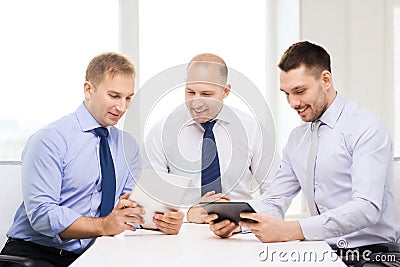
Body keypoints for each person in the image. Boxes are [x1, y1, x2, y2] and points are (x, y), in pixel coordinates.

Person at [207, 41, 400, 265]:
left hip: (373, 253)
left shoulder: (366, 128)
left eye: (299, 91)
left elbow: (367, 208)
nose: (292, 103)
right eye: (286, 94)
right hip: (321, 250)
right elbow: (275, 201)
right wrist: (236, 221)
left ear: (325, 80)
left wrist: (294, 229)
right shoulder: (298, 139)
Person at [0, 52, 184, 267]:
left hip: (95, 253)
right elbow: (42, 215)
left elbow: (126, 208)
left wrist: (160, 221)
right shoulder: (50, 139)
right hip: (36, 255)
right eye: (114, 96)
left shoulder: (127, 145)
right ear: (89, 90)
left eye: (128, 98)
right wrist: (104, 226)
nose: (122, 107)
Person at [143, 53, 280, 226]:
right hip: (180, 238)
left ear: (226, 91)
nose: (196, 103)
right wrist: (187, 214)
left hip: (240, 237)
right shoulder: (161, 132)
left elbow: (277, 196)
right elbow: (151, 204)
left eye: (206, 93)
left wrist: (239, 217)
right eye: (190, 92)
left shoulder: (253, 130)